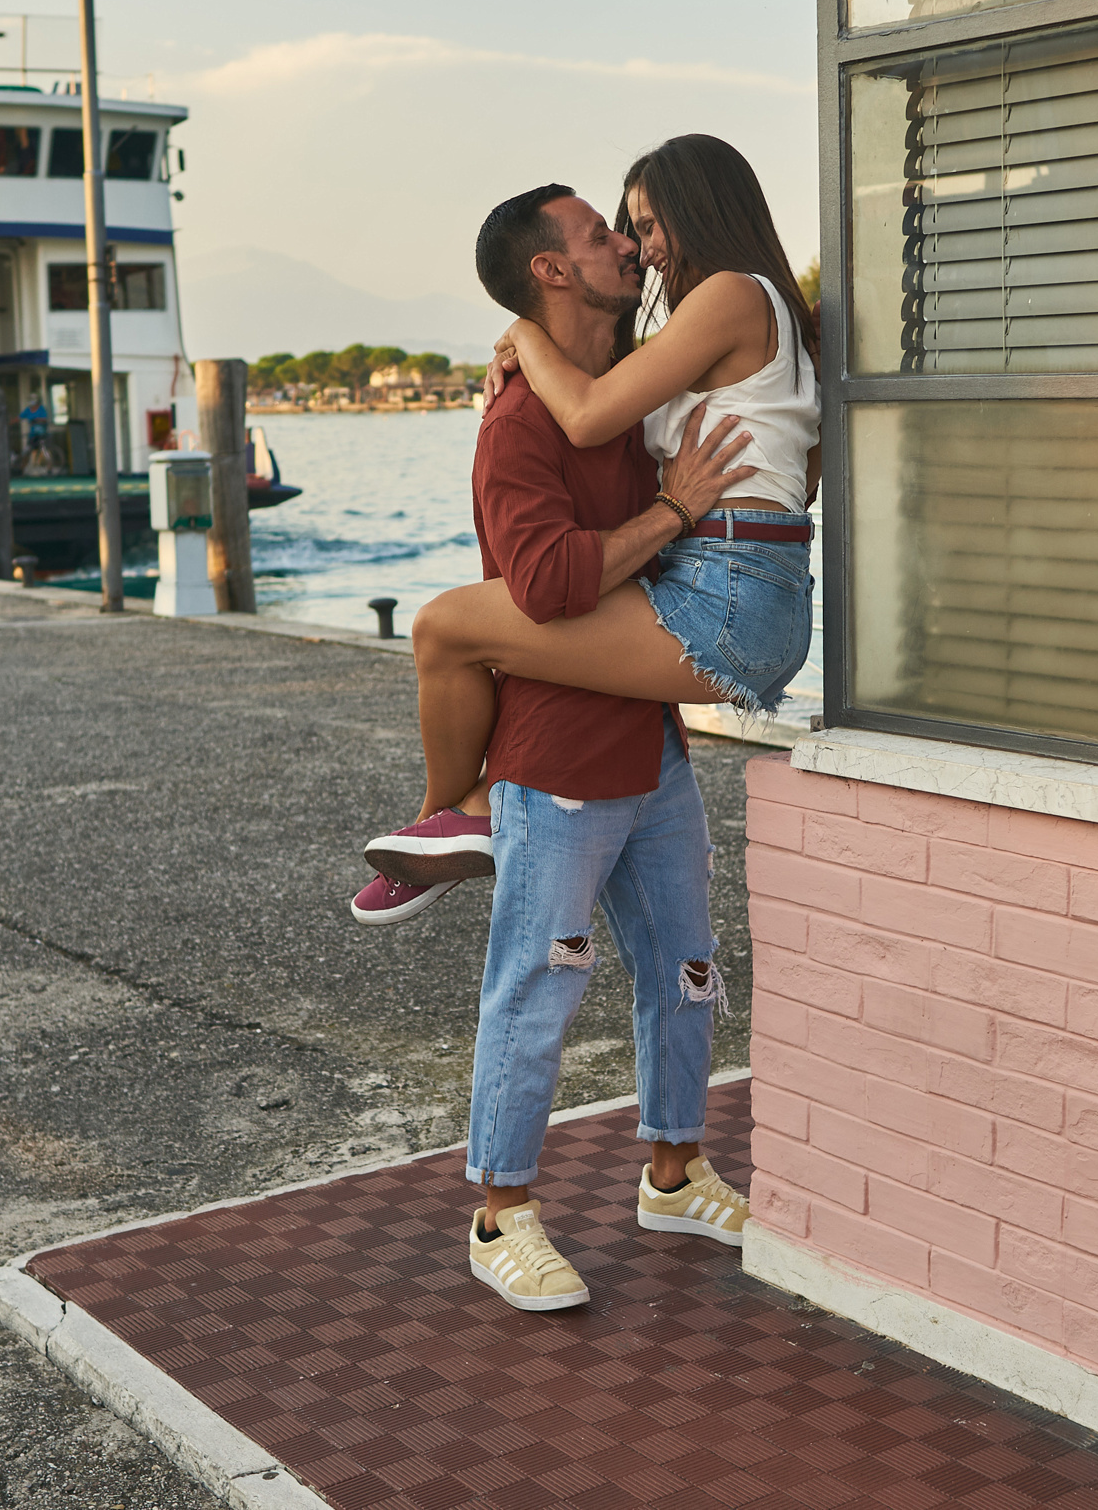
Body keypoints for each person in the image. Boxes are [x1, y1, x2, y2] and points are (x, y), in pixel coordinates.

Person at [409, 181, 767, 1313]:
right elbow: (551, 585)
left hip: (651, 756)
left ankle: (672, 1170)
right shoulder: (518, 425)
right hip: (557, 769)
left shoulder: (627, 397)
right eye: (598, 233)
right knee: (535, 994)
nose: (625, 243)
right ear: (551, 272)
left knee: (689, 977)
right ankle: (499, 1212)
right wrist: (669, 515)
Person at [352, 135, 820, 923]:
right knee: (501, 639)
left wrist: (523, 334)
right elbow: (797, 474)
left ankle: (449, 821)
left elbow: (590, 412)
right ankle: (457, 819)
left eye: (648, 220)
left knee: (441, 628)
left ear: (699, 206)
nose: (642, 245)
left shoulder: (732, 295)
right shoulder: (773, 314)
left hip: (725, 597)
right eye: (623, 227)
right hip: (754, 590)